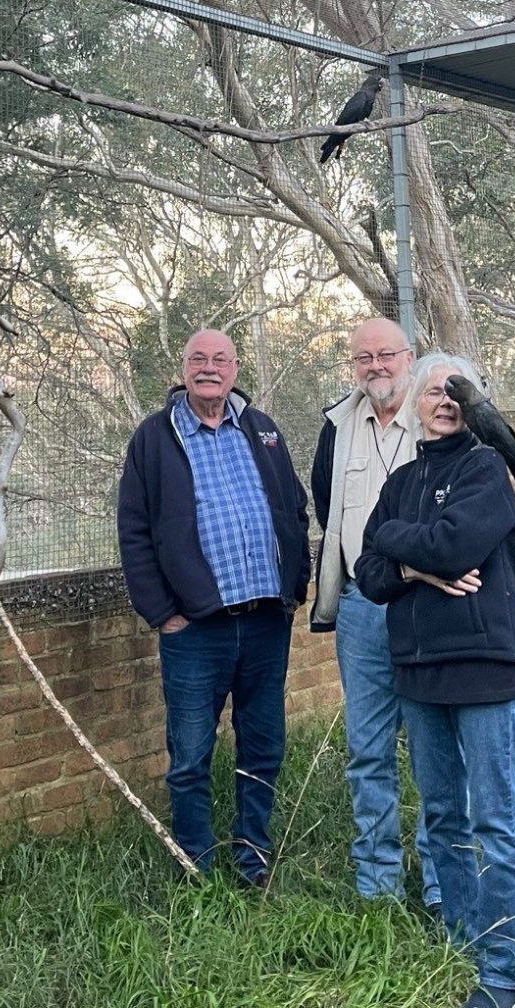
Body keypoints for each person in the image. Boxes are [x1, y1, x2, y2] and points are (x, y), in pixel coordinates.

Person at [355, 353, 515, 1008]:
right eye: (434, 389)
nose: (447, 399)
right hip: (419, 671)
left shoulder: (487, 469)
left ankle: (506, 973)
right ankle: (463, 937)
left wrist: (401, 545)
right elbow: (367, 571)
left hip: (484, 665)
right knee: (441, 817)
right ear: (413, 403)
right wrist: (413, 571)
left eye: (459, 390)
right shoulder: (401, 481)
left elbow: (452, 546)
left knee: (494, 820)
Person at [117, 329, 311, 886]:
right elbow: (133, 531)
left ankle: (254, 862)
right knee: (191, 755)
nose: (210, 368)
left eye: (220, 360)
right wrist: (162, 613)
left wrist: (294, 587)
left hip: (266, 622)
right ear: (183, 369)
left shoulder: (263, 430)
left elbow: (295, 509)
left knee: (264, 745)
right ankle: (196, 868)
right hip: (195, 630)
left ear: (235, 367)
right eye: (198, 359)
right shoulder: (155, 439)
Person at [310, 318, 440, 909]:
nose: (376, 367)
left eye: (387, 354)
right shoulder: (337, 428)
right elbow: (326, 507)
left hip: (429, 605)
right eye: (364, 358)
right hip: (364, 608)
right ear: (353, 365)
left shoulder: (437, 416)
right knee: (369, 749)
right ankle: (378, 887)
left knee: (436, 744)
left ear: (409, 358)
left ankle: (442, 884)